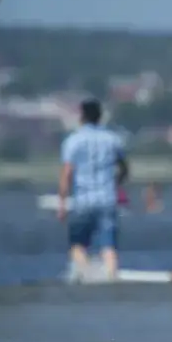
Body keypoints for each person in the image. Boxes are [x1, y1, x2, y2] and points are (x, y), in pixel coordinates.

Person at [57, 98, 128, 280]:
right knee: (109, 246)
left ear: (82, 117)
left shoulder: (73, 141)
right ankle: (111, 277)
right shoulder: (112, 139)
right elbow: (124, 168)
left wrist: (62, 203)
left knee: (77, 245)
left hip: (83, 201)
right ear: (100, 117)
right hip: (107, 199)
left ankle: (87, 274)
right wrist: (116, 183)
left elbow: (67, 174)